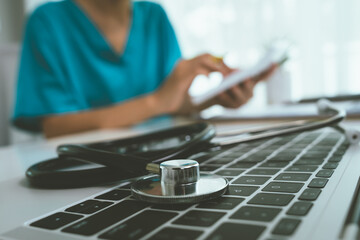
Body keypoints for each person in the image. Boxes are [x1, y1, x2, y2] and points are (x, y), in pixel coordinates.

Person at [13, 0, 276, 138]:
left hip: (162, 155)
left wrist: (216, 98)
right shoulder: (47, 21)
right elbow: (55, 127)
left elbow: (172, 105)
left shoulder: (154, 16)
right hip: (91, 168)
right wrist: (155, 102)